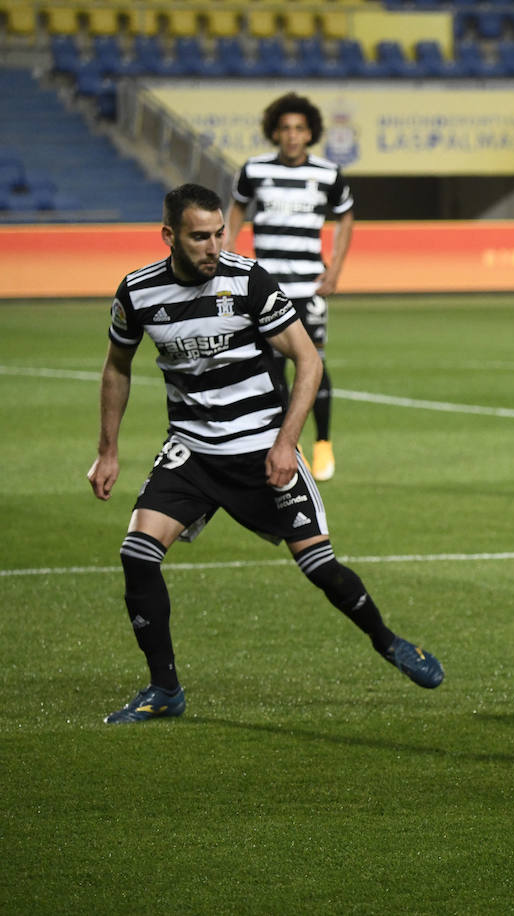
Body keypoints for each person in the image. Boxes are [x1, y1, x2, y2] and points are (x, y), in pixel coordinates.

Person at [88, 184, 442, 725]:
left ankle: (388, 641)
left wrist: (283, 442)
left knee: (320, 567)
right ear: (169, 237)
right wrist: (107, 452)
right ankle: (165, 689)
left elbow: (308, 361)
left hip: (260, 449)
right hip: (192, 452)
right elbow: (117, 366)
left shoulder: (249, 280)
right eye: (198, 236)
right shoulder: (138, 293)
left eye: (218, 234)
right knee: (137, 555)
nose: (212, 246)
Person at [228, 92, 353, 482]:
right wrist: (229, 254)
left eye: (299, 129)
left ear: (310, 132)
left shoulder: (327, 173)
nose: (292, 136)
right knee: (271, 364)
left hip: (309, 287)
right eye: (285, 128)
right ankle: (289, 440)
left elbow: (346, 216)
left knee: (312, 360)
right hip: (266, 288)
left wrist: (336, 269)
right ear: (274, 132)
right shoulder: (254, 170)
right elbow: (235, 209)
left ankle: (324, 443)